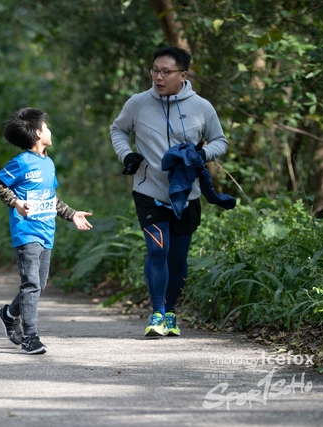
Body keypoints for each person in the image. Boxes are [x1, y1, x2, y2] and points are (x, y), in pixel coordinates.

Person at [110, 46, 231, 338]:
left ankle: (172, 312)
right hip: (148, 190)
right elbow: (118, 130)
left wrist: (201, 155)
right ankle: (157, 314)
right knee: (156, 249)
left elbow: (220, 141)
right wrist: (127, 156)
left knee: (177, 258)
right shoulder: (138, 103)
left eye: (166, 72)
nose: (158, 77)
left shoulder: (202, 107)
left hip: (186, 195)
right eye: (155, 70)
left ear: (183, 75)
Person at [0, 108, 93, 355]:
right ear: (38, 133)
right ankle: (30, 337)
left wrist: (72, 214)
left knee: (39, 283)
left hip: (48, 230)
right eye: (46, 127)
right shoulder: (21, 162)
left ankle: (9, 313)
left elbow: (52, 198)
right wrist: (16, 202)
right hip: (26, 232)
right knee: (31, 283)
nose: (49, 131)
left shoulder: (48, 163)